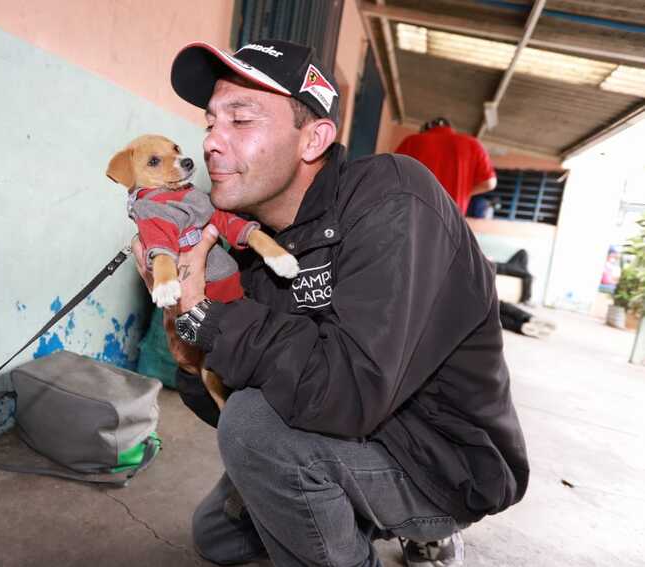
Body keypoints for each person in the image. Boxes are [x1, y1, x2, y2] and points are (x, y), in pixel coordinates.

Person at [132, 39, 529, 567]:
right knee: (216, 536)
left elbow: (349, 392)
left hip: (439, 457)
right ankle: (348, 506)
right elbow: (214, 400)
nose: (211, 143)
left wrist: (215, 320)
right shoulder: (255, 251)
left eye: (240, 120)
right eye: (210, 122)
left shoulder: (395, 202)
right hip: (345, 422)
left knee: (255, 434)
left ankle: (419, 524)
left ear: (313, 138)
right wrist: (187, 324)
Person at [396, 119, 555, 339]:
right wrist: (464, 190)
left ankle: (520, 321)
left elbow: (393, 177)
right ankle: (522, 320)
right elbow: (490, 183)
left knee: (426, 292)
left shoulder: (414, 141)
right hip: (451, 229)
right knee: (458, 292)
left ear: (426, 129)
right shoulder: (471, 144)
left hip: (411, 224)